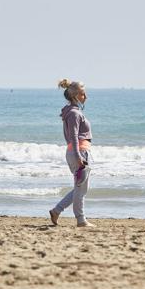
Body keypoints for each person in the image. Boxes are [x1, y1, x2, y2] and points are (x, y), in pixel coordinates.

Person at [49, 79, 96, 227]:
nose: (86, 97)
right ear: (75, 96)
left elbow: (69, 137)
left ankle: (57, 210)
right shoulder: (74, 113)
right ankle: (81, 220)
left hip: (76, 151)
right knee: (81, 189)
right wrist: (78, 156)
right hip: (80, 152)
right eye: (83, 94)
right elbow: (74, 137)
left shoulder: (70, 112)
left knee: (80, 188)